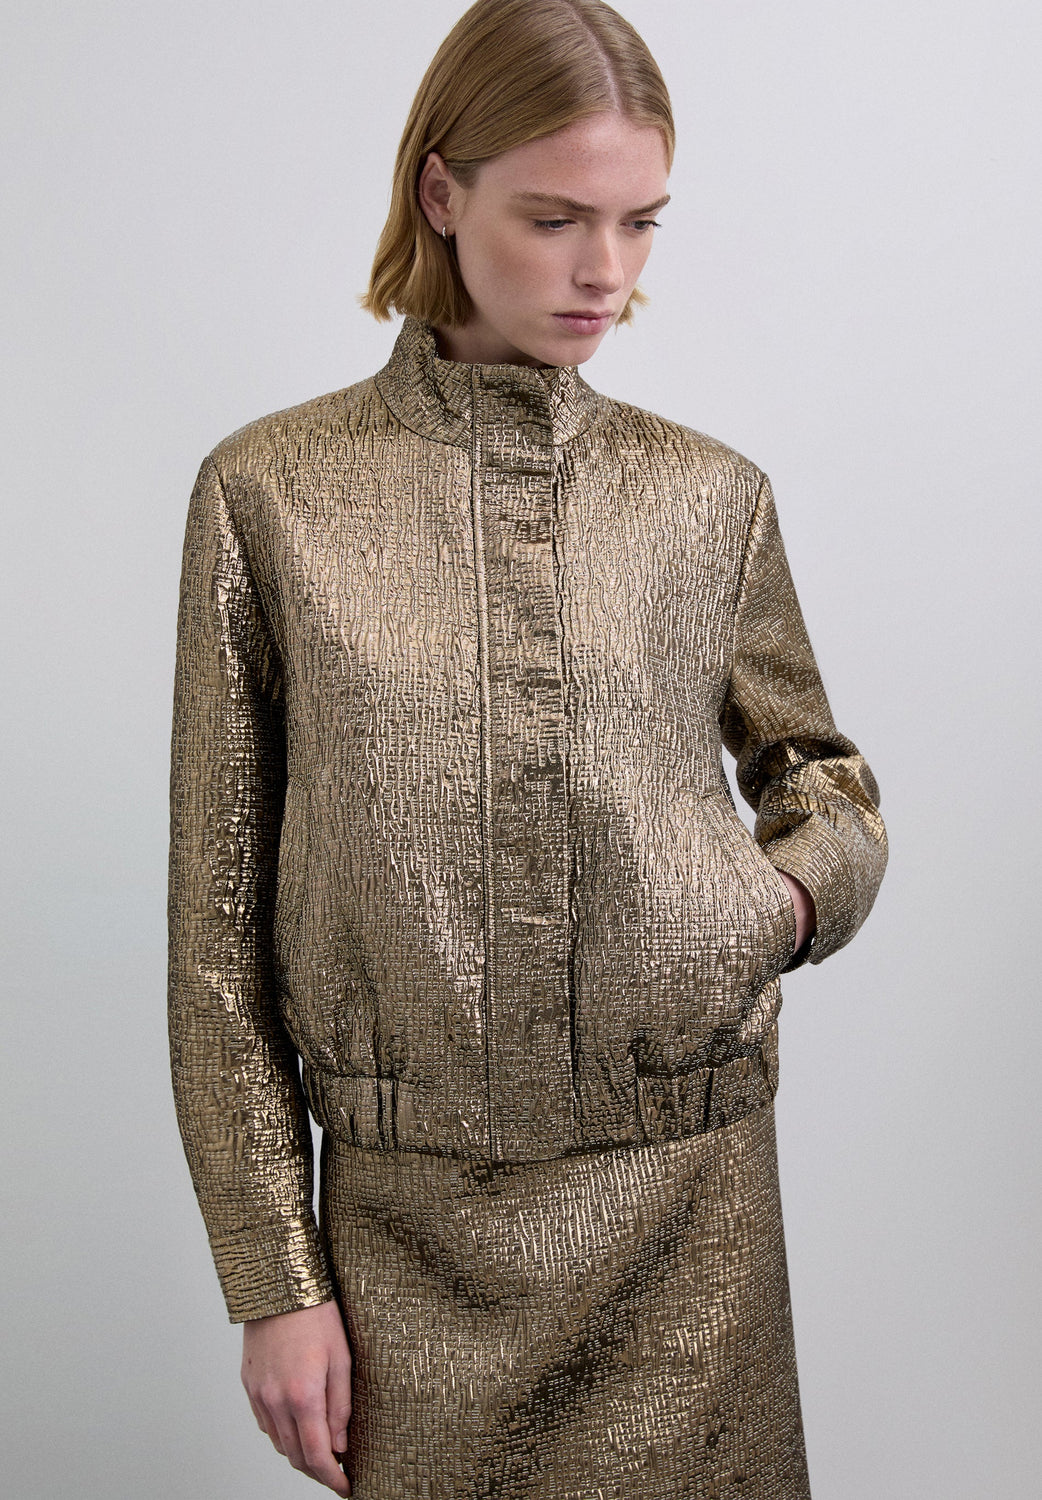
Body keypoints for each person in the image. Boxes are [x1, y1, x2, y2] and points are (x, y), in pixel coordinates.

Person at [167, 1, 888, 1495]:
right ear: (442, 192)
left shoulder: (708, 496)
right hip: (407, 1232)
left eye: (640, 221)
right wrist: (272, 1277)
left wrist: (780, 903)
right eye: (555, 218)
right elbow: (214, 934)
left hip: (687, 1208)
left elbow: (822, 779)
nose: (605, 270)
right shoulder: (267, 492)